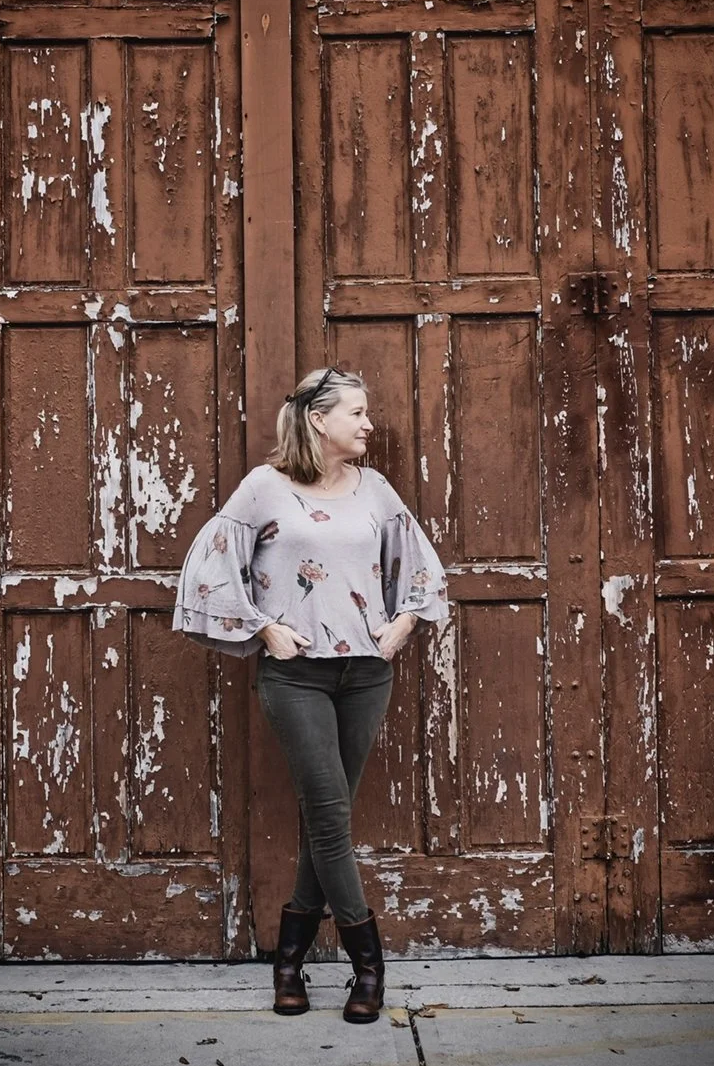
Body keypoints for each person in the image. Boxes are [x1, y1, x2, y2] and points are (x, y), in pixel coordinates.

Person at [172, 366, 449, 1023]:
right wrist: (264, 626)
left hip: (365, 675)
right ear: (318, 419)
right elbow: (208, 565)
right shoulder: (265, 489)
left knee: (328, 823)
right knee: (329, 818)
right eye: (355, 412)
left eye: (366, 411)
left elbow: (423, 569)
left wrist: (403, 624)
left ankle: (289, 960)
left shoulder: (376, 490)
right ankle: (369, 968)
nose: (368, 423)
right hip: (297, 677)